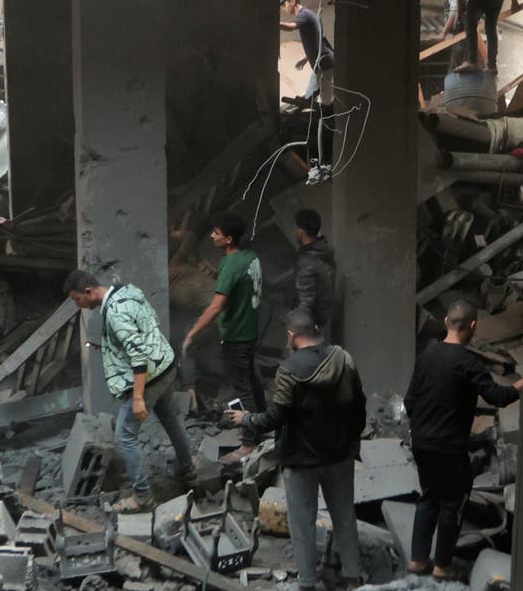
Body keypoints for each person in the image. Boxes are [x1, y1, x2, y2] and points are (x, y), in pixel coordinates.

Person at [248, 309, 364, 591]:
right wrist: (350, 442)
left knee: (302, 522)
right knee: (344, 515)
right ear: (316, 329)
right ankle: (353, 579)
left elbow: (276, 417)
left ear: (291, 335)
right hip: (339, 455)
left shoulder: (288, 369)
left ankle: (308, 585)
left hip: (301, 460)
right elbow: (359, 407)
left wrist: (247, 420)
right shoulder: (343, 359)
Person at [404, 298, 520, 578]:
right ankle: (443, 565)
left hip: (422, 444)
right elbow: (498, 396)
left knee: (428, 497)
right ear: (473, 326)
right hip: (450, 449)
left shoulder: (426, 357)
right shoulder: (469, 363)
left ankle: (418, 561)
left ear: (446, 321)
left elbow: (409, 401)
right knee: (452, 503)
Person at [66, 268, 194, 509]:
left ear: (88, 291)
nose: (77, 305)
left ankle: (143, 496)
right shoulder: (127, 291)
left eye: (77, 299)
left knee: (124, 437)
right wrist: (109, 346)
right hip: (165, 366)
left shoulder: (114, 313)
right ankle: (189, 472)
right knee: (170, 420)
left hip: (150, 378)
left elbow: (138, 356)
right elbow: (147, 327)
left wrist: (137, 398)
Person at [182, 213, 269, 420]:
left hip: (235, 335)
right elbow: (240, 284)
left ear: (228, 239)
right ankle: (264, 419)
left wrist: (191, 334)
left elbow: (215, 308)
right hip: (249, 330)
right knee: (251, 379)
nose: (212, 236)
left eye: (216, 233)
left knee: (242, 388)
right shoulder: (250, 257)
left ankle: (250, 439)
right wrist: (217, 275)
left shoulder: (230, 265)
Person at [454, 0, 519, 74]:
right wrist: (515, 1)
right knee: (490, 28)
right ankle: (492, 66)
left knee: (469, 20)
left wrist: (459, 13)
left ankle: (472, 61)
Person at [289, 209, 343, 344]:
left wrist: (296, 334)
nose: (295, 232)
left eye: (297, 228)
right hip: (323, 322)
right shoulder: (324, 253)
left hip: (310, 330)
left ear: (301, 232)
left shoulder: (307, 262)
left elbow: (306, 303)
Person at [281, 0, 329, 90]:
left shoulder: (304, 14)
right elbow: (316, 42)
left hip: (325, 66)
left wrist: (273, 23)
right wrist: (306, 58)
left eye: (284, 5)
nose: (283, 9)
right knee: (311, 97)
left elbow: (291, 27)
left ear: (292, 2)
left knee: (323, 101)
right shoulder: (307, 15)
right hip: (320, 65)